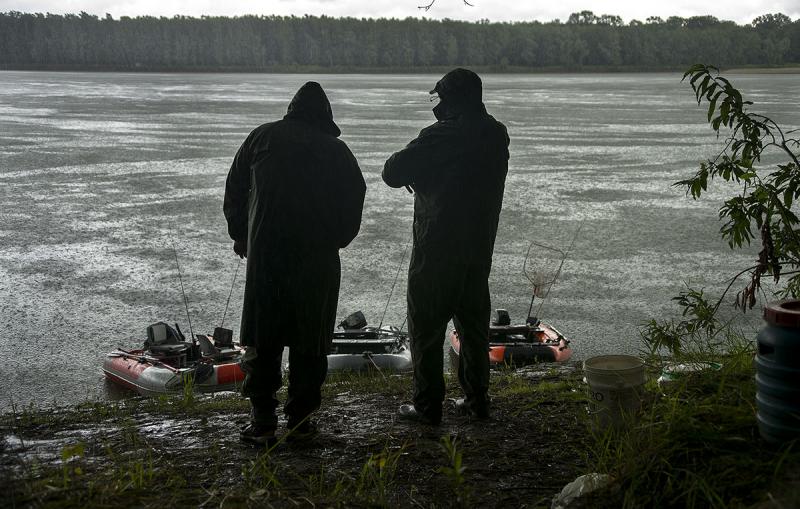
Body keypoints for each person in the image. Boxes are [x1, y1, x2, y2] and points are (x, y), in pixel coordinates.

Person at [224, 81, 366, 444]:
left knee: (263, 339)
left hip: (266, 260)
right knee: (310, 343)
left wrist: (241, 235)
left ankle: (263, 422)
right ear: (325, 116)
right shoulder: (337, 151)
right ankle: (301, 423)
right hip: (316, 262)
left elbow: (235, 188)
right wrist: (337, 240)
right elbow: (355, 199)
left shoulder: (260, 138)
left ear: (291, 109)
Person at [382, 68, 509, 425]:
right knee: (473, 327)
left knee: (425, 328)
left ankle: (427, 406)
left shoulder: (440, 136)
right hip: (478, 247)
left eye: (440, 98)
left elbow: (392, 172)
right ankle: (477, 400)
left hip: (435, 249)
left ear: (452, 99)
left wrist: (420, 175)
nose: (436, 106)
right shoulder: (497, 134)